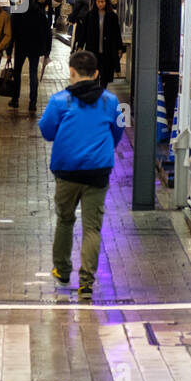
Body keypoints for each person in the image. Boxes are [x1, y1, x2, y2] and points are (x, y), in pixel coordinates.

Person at [39, 49, 124, 300]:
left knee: (65, 220)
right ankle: (86, 282)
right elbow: (118, 132)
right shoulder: (110, 101)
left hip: (67, 171)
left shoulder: (59, 101)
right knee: (92, 229)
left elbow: (46, 131)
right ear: (97, 73)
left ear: (71, 72)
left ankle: (63, 270)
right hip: (98, 172)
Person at [7, 0, 52, 112]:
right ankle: (33, 102)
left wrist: (9, 51)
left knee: (17, 73)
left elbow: (12, 34)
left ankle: (15, 99)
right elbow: (47, 33)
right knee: (33, 74)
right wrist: (47, 50)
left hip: (21, 47)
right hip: (35, 48)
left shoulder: (17, 13)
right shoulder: (40, 13)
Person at [81, 0, 125, 87]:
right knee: (93, 76)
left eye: (103, 2)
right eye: (98, 2)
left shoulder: (112, 16)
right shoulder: (90, 15)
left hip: (107, 51)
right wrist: (80, 46)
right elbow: (84, 32)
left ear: (106, 2)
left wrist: (119, 48)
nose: (100, 4)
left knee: (105, 77)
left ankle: (101, 96)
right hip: (93, 50)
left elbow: (117, 33)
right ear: (95, 2)